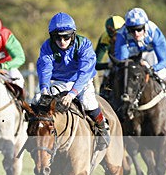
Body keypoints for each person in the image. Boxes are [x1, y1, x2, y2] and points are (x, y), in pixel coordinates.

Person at [36, 12, 110, 151]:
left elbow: (85, 72)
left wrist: (72, 94)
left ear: (73, 34)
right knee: (37, 101)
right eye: (57, 37)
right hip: (58, 82)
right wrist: (44, 90)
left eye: (66, 37)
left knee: (89, 102)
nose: (62, 41)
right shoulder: (47, 47)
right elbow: (45, 69)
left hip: (81, 81)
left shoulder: (84, 45)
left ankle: (102, 128)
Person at [112, 7, 166, 104]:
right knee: (122, 73)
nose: (136, 34)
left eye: (139, 29)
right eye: (132, 30)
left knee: (162, 74)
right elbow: (122, 60)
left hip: (150, 53)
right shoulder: (122, 34)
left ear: (145, 26)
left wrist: (152, 68)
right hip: (132, 57)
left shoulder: (154, 32)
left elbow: (164, 60)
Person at [94, 15, 125, 99]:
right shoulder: (105, 38)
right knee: (108, 75)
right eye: (114, 35)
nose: (116, 38)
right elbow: (94, 63)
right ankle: (104, 94)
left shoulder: (130, 34)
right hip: (113, 59)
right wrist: (108, 65)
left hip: (129, 58)